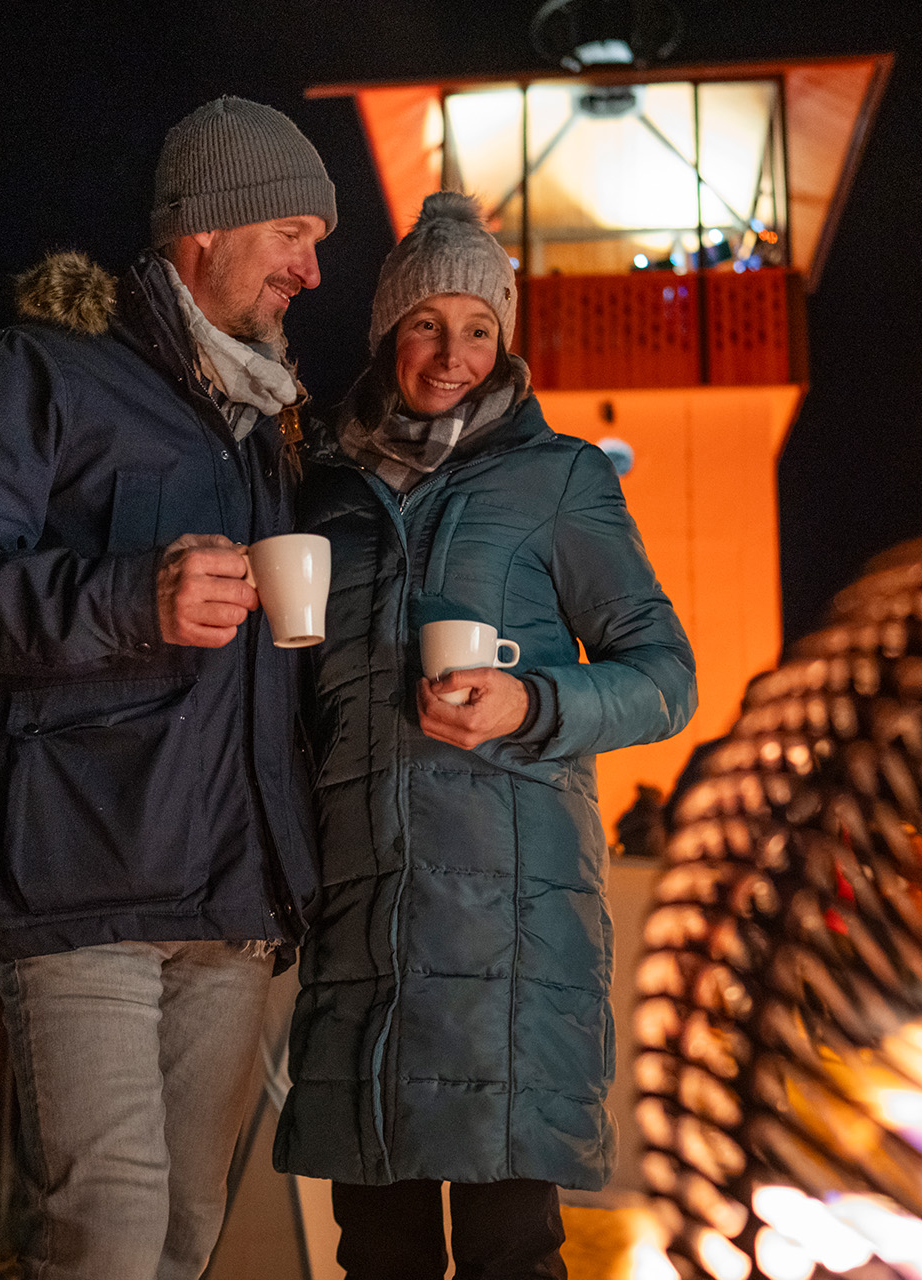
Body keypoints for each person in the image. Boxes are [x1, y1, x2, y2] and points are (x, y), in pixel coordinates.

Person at [0, 96, 334, 1280]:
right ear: (206, 231)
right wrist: (135, 597)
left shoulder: (263, 420)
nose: (314, 269)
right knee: (108, 1236)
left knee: (178, 1241)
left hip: (233, 907)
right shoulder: (45, 371)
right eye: (293, 232)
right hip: (84, 882)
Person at [273, 192, 697, 1279]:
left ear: (504, 339)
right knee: (378, 1252)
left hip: (512, 939)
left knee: (512, 1249)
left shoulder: (560, 478)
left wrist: (534, 704)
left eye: (477, 328)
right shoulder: (322, 490)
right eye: (425, 324)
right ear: (385, 333)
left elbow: (666, 678)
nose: (450, 353)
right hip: (367, 921)